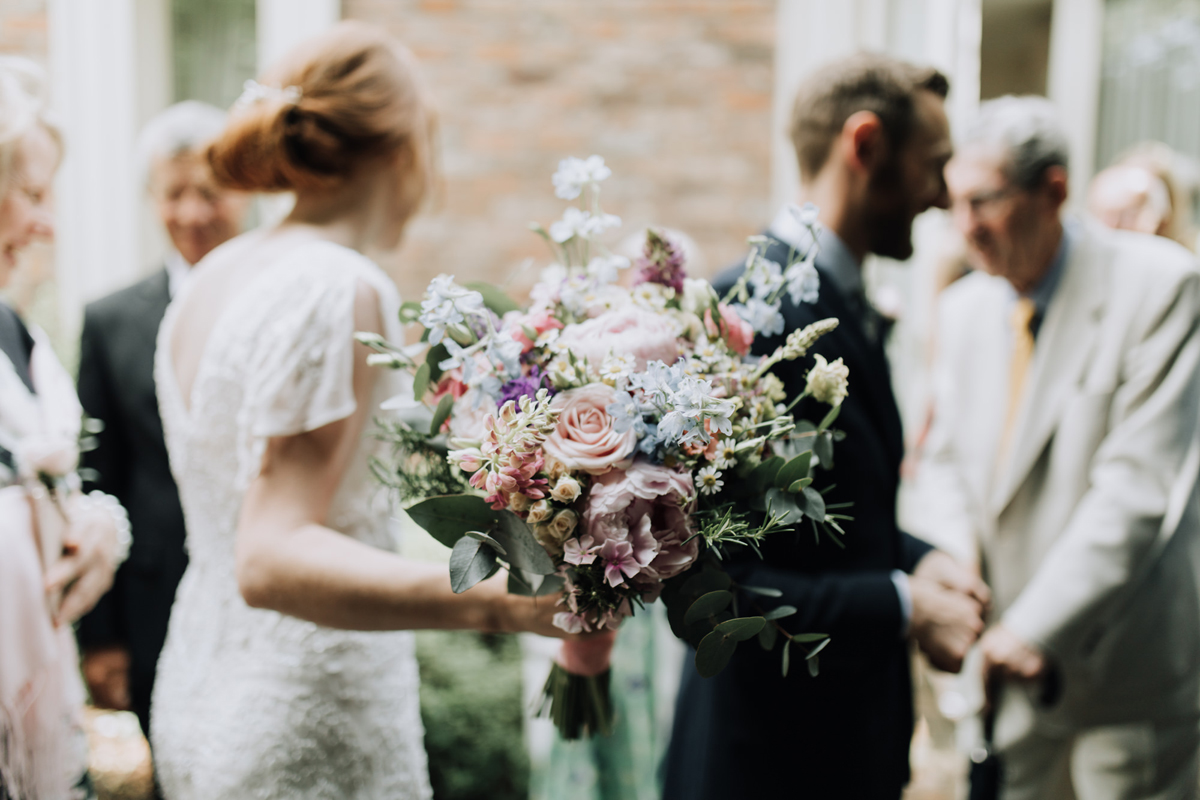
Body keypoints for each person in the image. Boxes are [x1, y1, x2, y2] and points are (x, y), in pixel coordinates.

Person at [148, 22, 568, 798]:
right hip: (308, 717)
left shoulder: (213, 276)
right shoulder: (341, 285)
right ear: (407, 148)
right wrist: (506, 600)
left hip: (198, 689)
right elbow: (270, 555)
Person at [664, 53, 990, 800]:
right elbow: (717, 589)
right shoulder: (751, 318)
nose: (943, 196)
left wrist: (918, 556)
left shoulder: (837, 300)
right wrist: (904, 605)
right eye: (933, 165)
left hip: (841, 753)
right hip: (768, 764)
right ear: (866, 146)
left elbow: (803, 521)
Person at [924, 95, 1200, 799]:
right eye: (953, 204)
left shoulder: (1162, 286)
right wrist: (959, 577)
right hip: (1003, 674)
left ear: (1054, 190)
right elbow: (946, 462)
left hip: (1121, 666)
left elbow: (1137, 488)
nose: (966, 231)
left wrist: (1032, 628)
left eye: (983, 202)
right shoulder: (963, 309)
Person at [76, 100, 249, 740]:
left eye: (210, 191)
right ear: (152, 198)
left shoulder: (283, 302)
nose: (193, 213)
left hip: (270, 594)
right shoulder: (108, 320)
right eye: (173, 193)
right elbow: (95, 479)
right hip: (154, 601)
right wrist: (101, 638)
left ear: (243, 191)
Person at [0, 56, 129, 800]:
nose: (46, 222)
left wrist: (96, 531)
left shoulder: (18, 335)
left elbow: (61, 485)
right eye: (31, 194)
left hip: (42, 704)